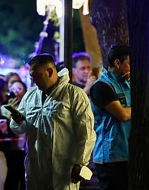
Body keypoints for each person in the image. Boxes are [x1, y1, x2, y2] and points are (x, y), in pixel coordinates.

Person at [10, 54, 96, 190]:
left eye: (36, 76)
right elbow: (20, 128)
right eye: (31, 76)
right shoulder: (30, 96)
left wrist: (80, 163)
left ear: (50, 72)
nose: (33, 81)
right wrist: (17, 120)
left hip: (63, 170)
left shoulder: (74, 94)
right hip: (35, 169)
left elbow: (86, 132)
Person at [89, 44, 131, 190]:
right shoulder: (102, 87)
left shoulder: (128, 83)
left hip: (127, 153)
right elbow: (123, 115)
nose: (131, 67)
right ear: (117, 63)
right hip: (111, 157)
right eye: (129, 63)